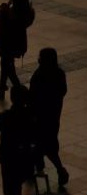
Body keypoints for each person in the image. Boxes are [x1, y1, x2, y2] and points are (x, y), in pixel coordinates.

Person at [30, 48, 69, 186]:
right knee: (48, 143)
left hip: (40, 118)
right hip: (54, 117)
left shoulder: (39, 75)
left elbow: (33, 97)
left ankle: (51, 169)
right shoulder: (59, 74)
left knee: (43, 144)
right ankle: (41, 167)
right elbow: (63, 91)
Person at [0, 0, 35, 100]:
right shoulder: (26, 15)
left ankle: (19, 91)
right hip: (18, 45)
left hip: (6, 44)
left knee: (8, 68)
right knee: (6, 65)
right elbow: (31, 13)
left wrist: (8, 2)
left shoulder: (7, 13)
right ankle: (1, 88)